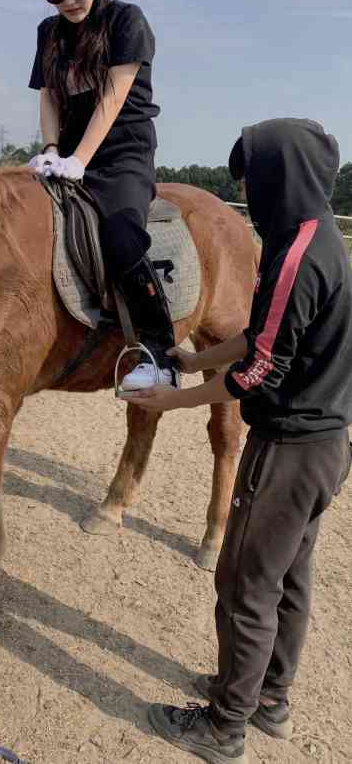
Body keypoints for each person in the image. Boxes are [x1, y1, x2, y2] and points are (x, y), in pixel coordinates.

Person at [127, 118, 352, 763]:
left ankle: (225, 725)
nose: (247, 193)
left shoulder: (295, 259)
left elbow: (257, 373)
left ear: (281, 176)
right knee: (289, 577)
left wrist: (174, 396)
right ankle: (268, 699)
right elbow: (263, 336)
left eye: (251, 179)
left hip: (287, 448)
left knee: (246, 583)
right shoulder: (321, 241)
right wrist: (194, 362)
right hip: (326, 446)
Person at [27, 0, 178, 390]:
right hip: (68, 152)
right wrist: (52, 149)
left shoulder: (126, 22)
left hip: (121, 154)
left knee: (120, 236)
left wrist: (80, 161)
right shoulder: (48, 33)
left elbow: (112, 100)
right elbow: (49, 94)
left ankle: (160, 353)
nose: (67, 0)